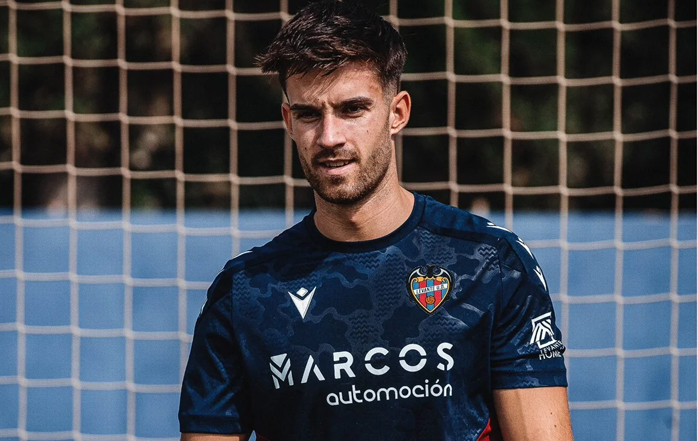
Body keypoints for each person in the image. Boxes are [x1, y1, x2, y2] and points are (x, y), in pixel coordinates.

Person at [179, 1, 574, 440]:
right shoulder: (245, 292)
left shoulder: (491, 264)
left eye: (352, 109)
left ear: (397, 113)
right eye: (309, 114)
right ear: (289, 121)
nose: (329, 137)